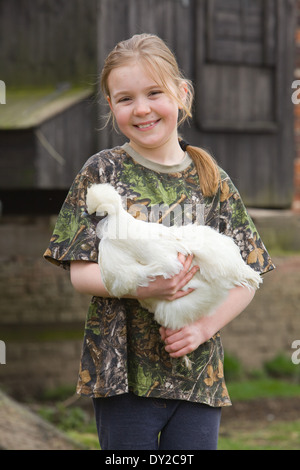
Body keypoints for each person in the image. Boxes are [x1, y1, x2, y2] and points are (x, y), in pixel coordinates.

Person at [44, 33, 275, 450]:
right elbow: (80, 272)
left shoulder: (211, 180)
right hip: (121, 370)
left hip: (196, 374)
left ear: (181, 94)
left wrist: (203, 328)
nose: (143, 108)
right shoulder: (102, 172)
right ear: (111, 106)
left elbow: (249, 275)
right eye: (126, 98)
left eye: (154, 93)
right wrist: (143, 286)